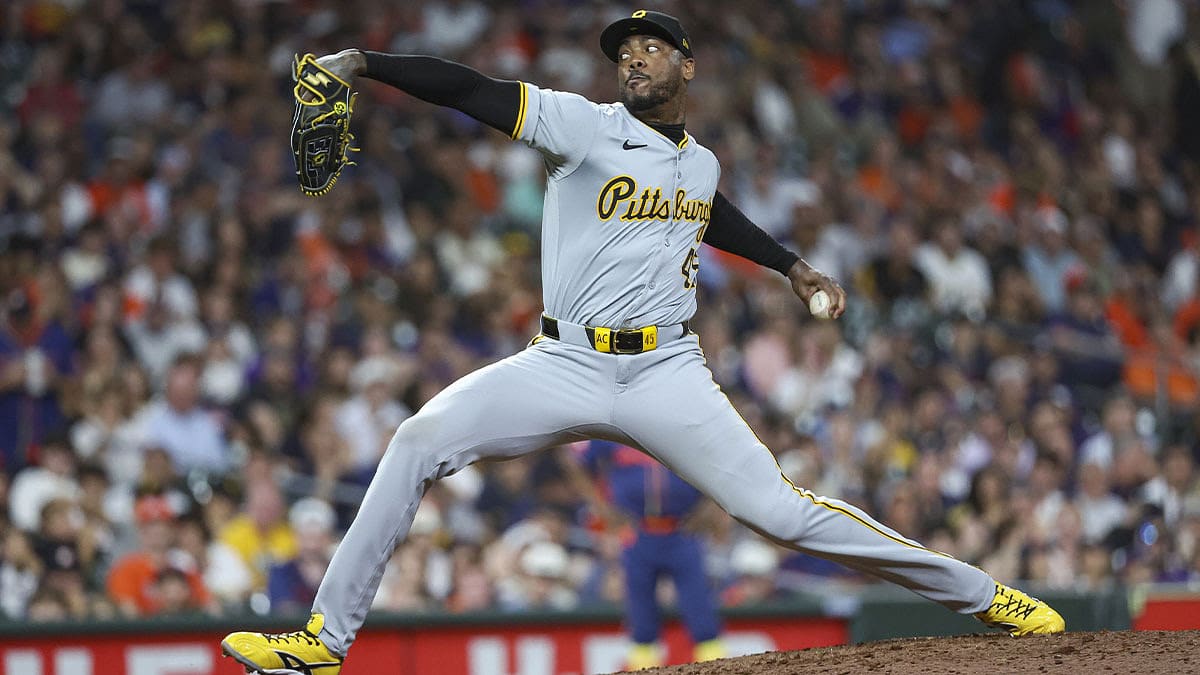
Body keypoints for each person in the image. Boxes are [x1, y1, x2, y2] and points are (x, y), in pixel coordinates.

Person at [222, 11, 1064, 674]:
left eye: (652, 47)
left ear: (686, 66)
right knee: (415, 441)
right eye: (624, 49)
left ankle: (986, 596)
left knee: (779, 511)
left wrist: (791, 265)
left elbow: (709, 209)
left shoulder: (701, 164)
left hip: (665, 367)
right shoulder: (580, 126)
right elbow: (470, 89)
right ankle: (322, 642)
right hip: (563, 360)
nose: (633, 58)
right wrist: (368, 64)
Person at [570, 440, 725, 669]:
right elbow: (577, 463)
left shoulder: (685, 427)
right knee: (641, 622)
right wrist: (601, 508)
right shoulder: (615, 430)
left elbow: (723, 465)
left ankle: (717, 669)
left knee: (702, 617)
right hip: (638, 534)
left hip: (682, 532)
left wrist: (711, 507)